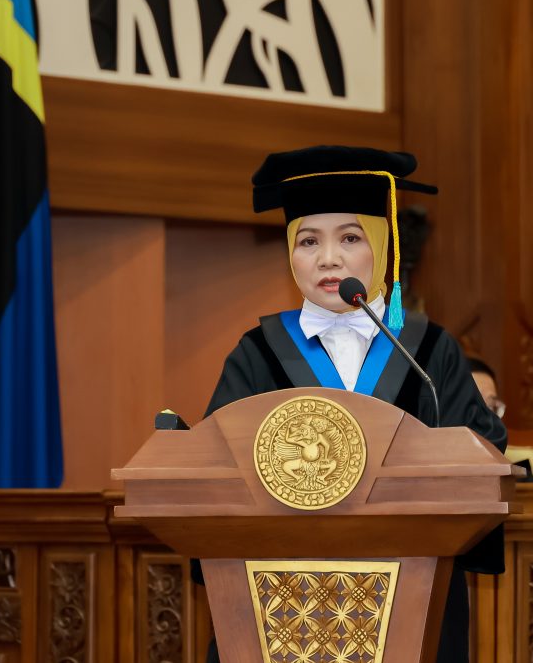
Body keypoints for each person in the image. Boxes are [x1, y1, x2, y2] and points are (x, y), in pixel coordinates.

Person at [201, 146, 507, 663]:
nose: (328, 259)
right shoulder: (257, 352)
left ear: (383, 245)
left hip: (414, 596)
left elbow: (484, 460)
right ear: (290, 253)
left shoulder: (427, 351)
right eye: (308, 241)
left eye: (349, 237)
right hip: (282, 603)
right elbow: (211, 468)